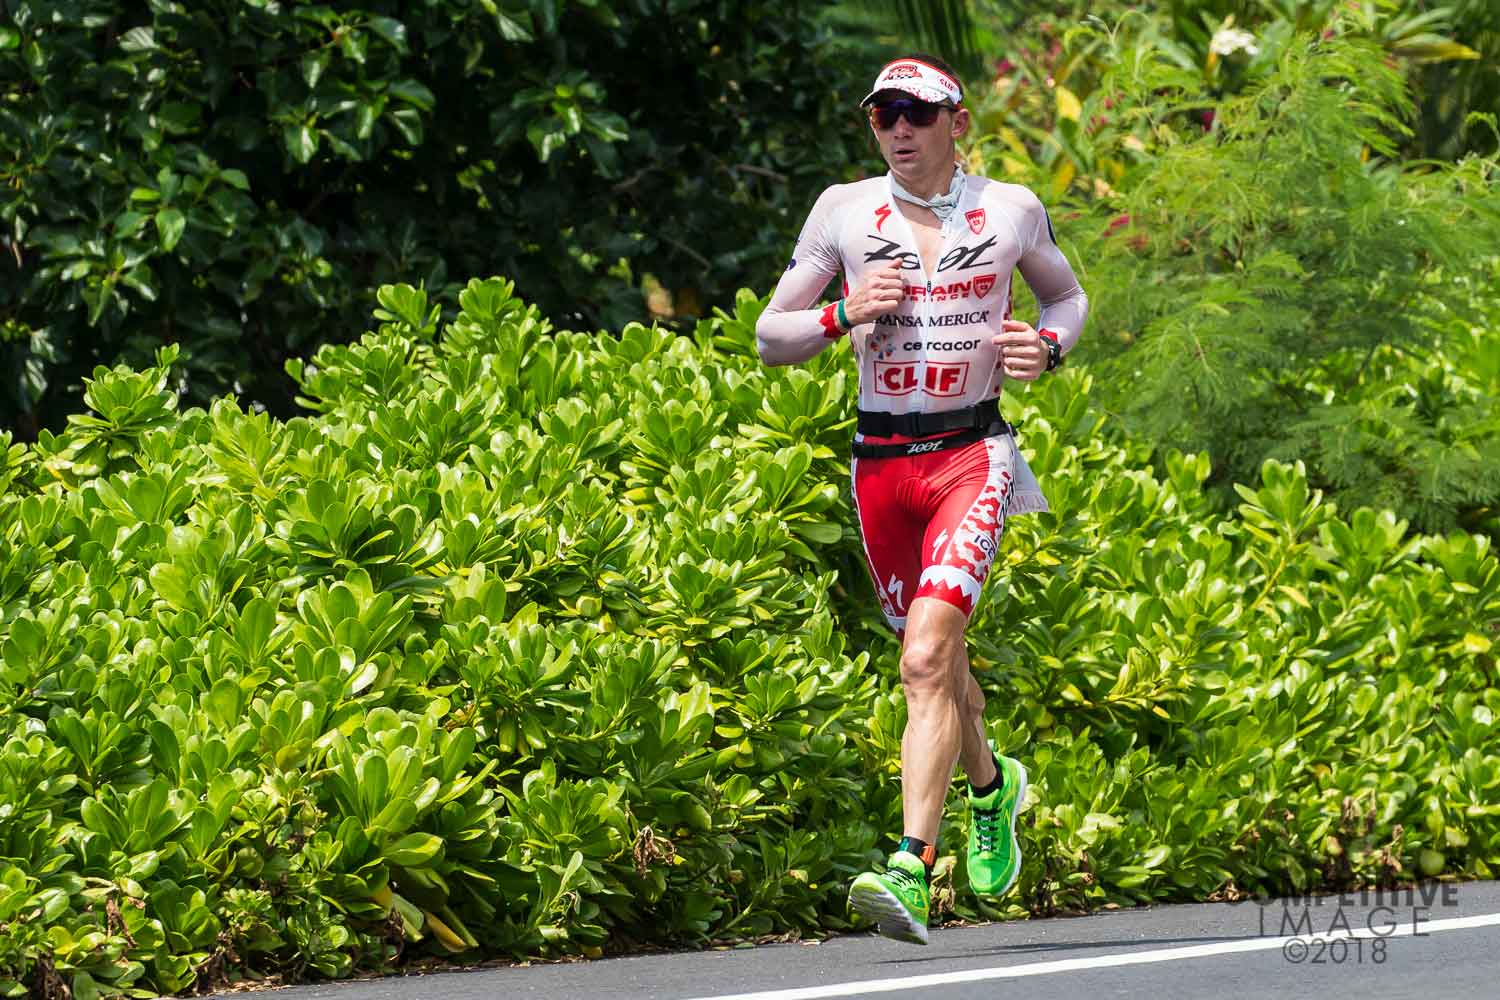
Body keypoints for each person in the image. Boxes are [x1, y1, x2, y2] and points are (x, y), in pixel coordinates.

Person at [755, 54, 1088, 945]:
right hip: (880, 468)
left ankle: (909, 865)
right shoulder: (842, 210)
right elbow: (769, 335)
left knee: (925, 663)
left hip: (971, 457)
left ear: (955, 119)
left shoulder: (1011, 207)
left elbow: (1068, 296)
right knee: (941, 673)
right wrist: (841, 314)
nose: (899, 129)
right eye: (883, 114)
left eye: (916, 112)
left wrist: (1047, 349)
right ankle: (993, 786)